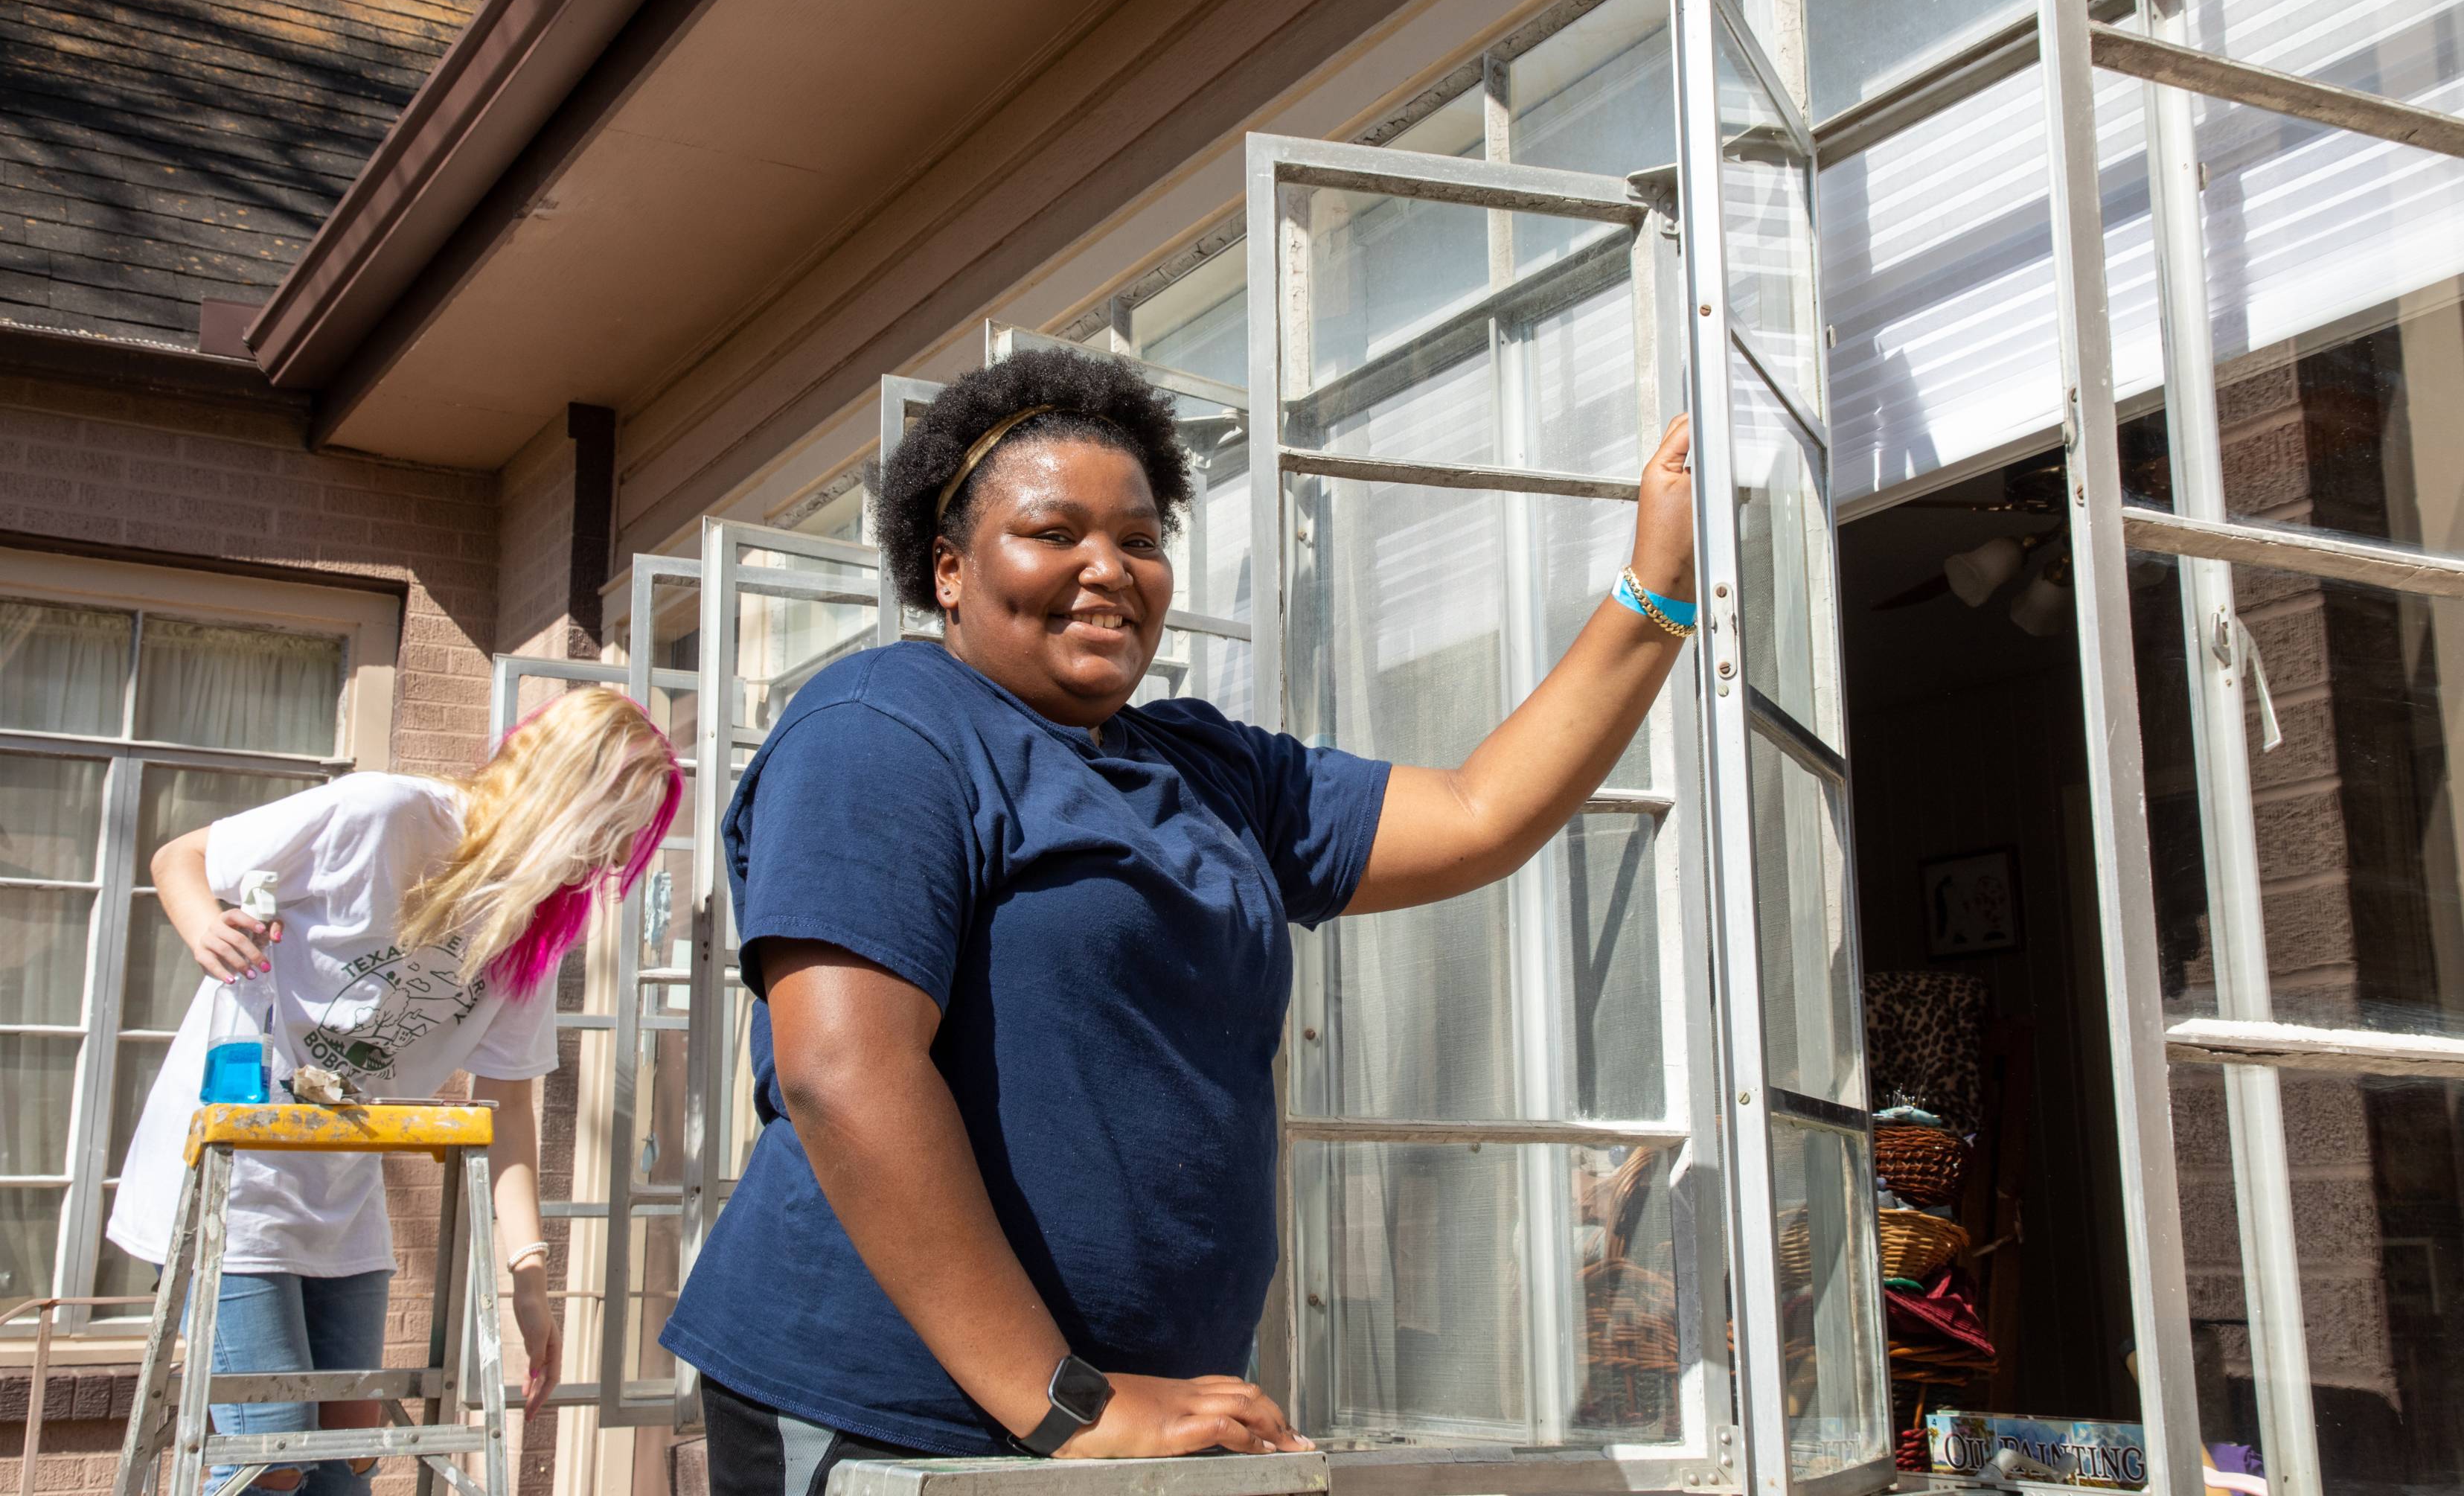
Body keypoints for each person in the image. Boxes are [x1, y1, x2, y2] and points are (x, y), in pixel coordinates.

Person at [660, 346, 1697, 1494]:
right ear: (947, 570)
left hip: (1132, 1420)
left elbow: (1476, 812)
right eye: (1056, 534)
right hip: (891, 1413)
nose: (1108, 567)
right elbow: (842, 1067)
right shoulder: (885, 726)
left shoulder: (1206, 767)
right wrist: (1066, 1401)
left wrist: (1658, 587)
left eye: (1141, 540)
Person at [109, 688, 682, 1496]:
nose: (611, 860)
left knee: (349, 1462)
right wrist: (205, 922)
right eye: (611, 829)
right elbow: (182, 855)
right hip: (232, 1179)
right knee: (270, 1464)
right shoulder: (381, 813)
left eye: (628, 844)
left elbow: (508, 1105)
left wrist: (529, 1277)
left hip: (341, 1193)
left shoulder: (531, 926)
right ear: (564, 787)